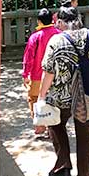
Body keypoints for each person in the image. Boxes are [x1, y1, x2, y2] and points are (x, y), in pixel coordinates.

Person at [38, 6, 89, 176]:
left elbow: (48, 71)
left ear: (61, 22)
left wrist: (41, 96)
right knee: (85, 131)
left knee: (55, 124)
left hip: (62, 96)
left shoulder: (56, 41)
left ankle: (63, 166)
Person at [23, 8, 58, 139]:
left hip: (38, 75)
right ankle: (52, 128)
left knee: (34, 98)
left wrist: (25, 74)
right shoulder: (59, 34)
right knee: (53, 101)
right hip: (56, 75)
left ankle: (40, 124)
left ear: (39, 21)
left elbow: (29, 57)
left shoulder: (35, 37)